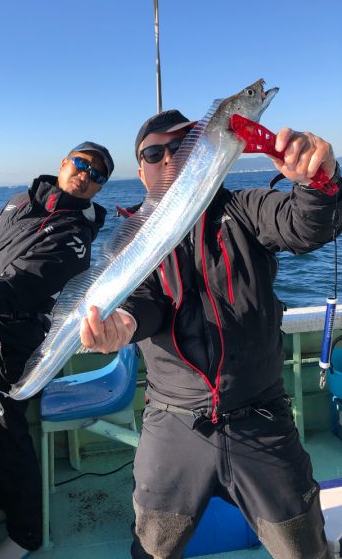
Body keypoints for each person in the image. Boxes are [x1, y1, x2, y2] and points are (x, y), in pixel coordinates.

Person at [80, 109, 342, 559]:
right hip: (171, 422)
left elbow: (305, 223)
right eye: (153, 152)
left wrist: (317, 182)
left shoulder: (244, 210)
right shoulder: (134, 238)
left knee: (305, 550)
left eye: (182, 148)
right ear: (141, 170)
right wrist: (123, 323)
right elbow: (143, 302)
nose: (168, 159)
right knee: (152, 550)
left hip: (261, 418)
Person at [0, 141, 114, 559]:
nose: (86, 175)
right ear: (64, 162)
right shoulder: (20, 202)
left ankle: (27, 533)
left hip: (7, 342)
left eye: (97, 175)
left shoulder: (74, 237)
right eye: (82, 164)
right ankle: (4, 505)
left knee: (5, 438)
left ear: (100, 188)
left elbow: (15, 283)